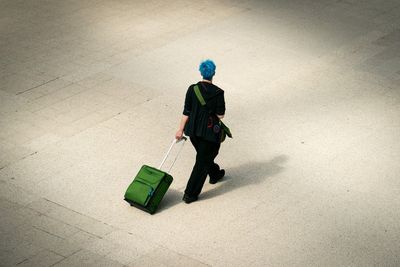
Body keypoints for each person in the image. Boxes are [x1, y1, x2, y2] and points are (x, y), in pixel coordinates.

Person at [175, 59, 226, 204]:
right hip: (209, 134)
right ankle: (190, 194)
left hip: (193, 132)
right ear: (213, 73)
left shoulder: (192, 89)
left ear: (201, 72)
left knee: (204, 157)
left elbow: (187, 111)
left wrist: (180, 130)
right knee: (202, 161)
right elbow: (221, 115)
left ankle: (215, 173)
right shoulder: (218, 93)